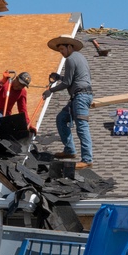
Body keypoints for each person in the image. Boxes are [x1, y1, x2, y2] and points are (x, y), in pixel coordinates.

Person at [43, 34, 93, 169]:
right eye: (59, 50)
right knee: (61, 118)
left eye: (62, 50)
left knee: (82, 127)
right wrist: (59, 77)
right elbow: (73, 78)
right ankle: (69, 150)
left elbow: (67, 83)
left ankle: (87, 160)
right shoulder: (80, 58)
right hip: (80, 96)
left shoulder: (70, 59)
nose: (61, 53)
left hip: (81, 97)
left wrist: (50, 91)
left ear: (70, 47)